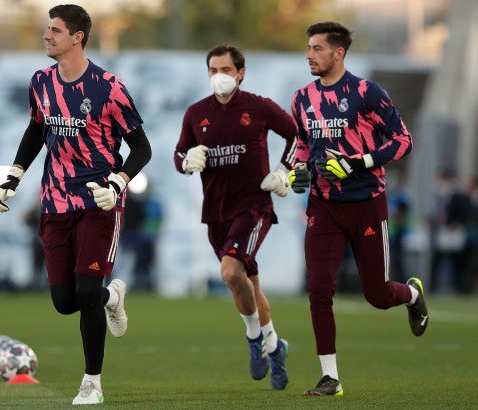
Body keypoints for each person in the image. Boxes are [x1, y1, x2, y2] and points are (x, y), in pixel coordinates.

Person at [0, 4, 151, 405]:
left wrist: (117, 183)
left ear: (77, 37)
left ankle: (92, 383)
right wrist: (15, 174)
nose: (47, 36)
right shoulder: (41, 82)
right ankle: (112, 298)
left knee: (86, 289)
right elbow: (36, 130)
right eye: (47, 29)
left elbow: (142, 148)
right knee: (65, 302)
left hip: (99, 202)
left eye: (55, 30)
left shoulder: (109, 87)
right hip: (54, 202)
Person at [288, 21, 429, 396]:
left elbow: (403, 141)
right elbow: (300, 146)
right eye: (309, 47)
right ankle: (330, 377)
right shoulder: (301, 98)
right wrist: (297, 172)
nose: (309, 55)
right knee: (319, 288)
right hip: (323, 206)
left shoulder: (367, 92)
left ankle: (413, 295)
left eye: (317, 48)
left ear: (339, 53)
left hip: (366, 203)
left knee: (377, 296)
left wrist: (356, 163)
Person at [173, 44, 293, 390]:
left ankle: (254, 340)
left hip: (253, 207)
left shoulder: (259, 106)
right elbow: (179, 153)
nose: (219, 76)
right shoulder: (196, 113)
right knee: (247, 284)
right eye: (213, 70)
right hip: (216, 212)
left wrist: (284, 170)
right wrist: (186, 161)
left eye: (225, 70)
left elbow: (296, 134)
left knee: (229, 272)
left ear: (240, 73)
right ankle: (275, 347)